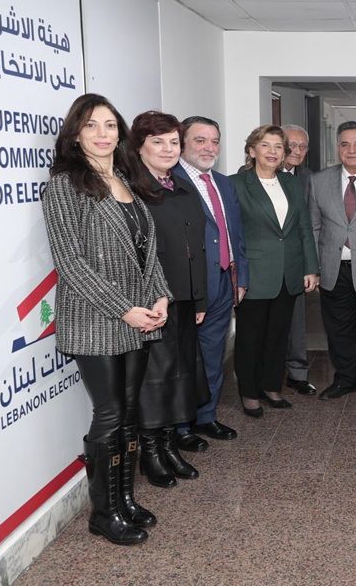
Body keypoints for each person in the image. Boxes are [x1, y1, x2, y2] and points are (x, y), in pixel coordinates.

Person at [42, 93, 171, 545]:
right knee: (111, 412)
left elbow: (145, 250)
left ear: (121, 134)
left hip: (139, 315)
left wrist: (160, 296)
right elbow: (71, 263)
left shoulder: (125, 179)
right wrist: (124, 309)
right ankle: (104, 512)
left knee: (130, 410)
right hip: (96, 317)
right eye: (92, 125)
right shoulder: (64, 185)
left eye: (110, 125)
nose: (102, 134)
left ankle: (125, 499)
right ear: (75, 135)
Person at [128, 111, 207, 488]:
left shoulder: (181, 187)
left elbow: (196, 246)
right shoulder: (131, 190)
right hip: (153, 302)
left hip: (185, 298)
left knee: (180, 373)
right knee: (155, 379)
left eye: (173, 142)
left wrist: (200, 298)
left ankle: (170, 444)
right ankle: (151, 452)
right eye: (157, 142)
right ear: (139, 146)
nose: (167, 149)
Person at [231, 125, 319, 418]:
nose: (272, 152)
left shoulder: (291, 183)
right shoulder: (235, 184)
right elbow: (233, 234)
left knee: (278, 335)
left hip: (288, 272)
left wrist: (310, 267)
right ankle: (249, 392)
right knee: (250, 336)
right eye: (265, 145)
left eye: (278, 147)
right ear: (252, 150)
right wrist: (236, 274)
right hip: (254, 273)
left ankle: (271, 386)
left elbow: (304, 227)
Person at [173, 116, 249, 451]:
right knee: (185, 359)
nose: (209, 148)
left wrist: (240, 276)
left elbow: (236, 234)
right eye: (200, 140)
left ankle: (207, 415)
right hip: (190, 286)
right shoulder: (169, 182)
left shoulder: (223, 183)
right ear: (182, 143)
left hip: (223, 280)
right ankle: (181, 426)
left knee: (214, 354)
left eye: (214, 141)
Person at [308, 121, 356, 402]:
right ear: (337, 147)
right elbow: (314, 227)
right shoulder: (319, 180)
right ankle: (345, 380)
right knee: (339, 330)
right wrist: (314, 267)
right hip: (333, 268)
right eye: (345, 144)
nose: (352, 150)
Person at [281, 124, 317, 396]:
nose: (297, 150)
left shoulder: (309, 179)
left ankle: (297, 374)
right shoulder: (250, 176)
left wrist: (311, 266)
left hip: (296, 262)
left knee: (296, 322)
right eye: (291, 144)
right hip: (263, 264)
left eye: (302, 146)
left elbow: (312, 225)